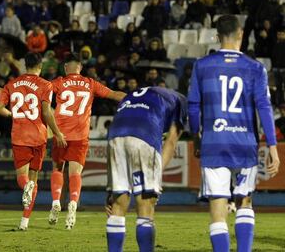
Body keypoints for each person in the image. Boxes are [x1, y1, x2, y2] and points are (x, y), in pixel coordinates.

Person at [187, 15, 280, 252]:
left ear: (217, 37)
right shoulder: (255, 68)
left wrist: (197, 138)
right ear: (241, 35)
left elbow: (193, 107)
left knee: (218, 207)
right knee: (244, 200)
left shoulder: (202, 66)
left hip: (214, 143)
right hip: (244, 143)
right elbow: (264, 107)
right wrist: (272, 146)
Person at [48, 53, 126, 229]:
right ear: (80, 68)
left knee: (58, 168)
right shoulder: (90, 83)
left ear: (66, 67)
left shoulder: (59, 82)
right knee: (75, 173)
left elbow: (40, 91)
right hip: (80, 135)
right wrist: (135, 98)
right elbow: (114, 94)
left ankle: (55, 201)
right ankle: (73, 204)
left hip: (60, 133)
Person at [106, 87, 187, 252]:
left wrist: (111, 193)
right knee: (145, 206)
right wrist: (155, 176)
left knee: (118, 205)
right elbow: (171, 142)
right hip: (144, 132)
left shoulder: (144, 94)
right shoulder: (182, 102)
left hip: (115, 133)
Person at [0, 52, 66, 230]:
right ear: (40, 66)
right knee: (33, 180)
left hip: (19, 135)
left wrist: (12, 114)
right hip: (39, 136)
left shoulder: (12, 84)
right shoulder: (45, 85)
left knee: (22, 178)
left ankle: (25, 190)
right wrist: (57, 132)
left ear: (25, 65)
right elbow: (47, 112)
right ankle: (24, 222)